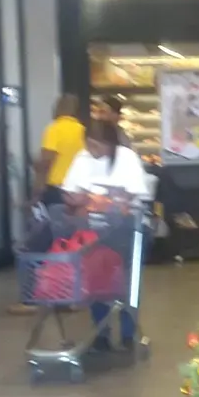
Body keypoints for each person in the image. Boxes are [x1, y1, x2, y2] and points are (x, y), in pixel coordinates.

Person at [60, 116, 151, 348]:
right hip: (93, 229)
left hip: (125, 229)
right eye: (89, 145)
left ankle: (128, 332)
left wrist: (97, 197)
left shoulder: (126, 158)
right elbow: (69, 192)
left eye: (97, 145)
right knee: (96, 279)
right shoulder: (82, 158)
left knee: (127, 281)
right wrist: (80, 199)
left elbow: (131, 193)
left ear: (110, 144)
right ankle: (101, 332)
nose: (92, 150)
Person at [34, 94, 87, 196]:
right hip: (78, 187)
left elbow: (47, 160)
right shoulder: (83, 130)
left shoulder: (54, 129)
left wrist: (38, 186)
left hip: (57, 187)